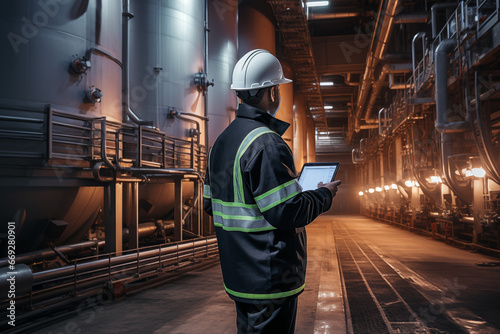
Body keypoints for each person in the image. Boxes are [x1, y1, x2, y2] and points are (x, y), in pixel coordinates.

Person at [203, 49, 341, 333]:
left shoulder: (221, 142)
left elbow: (210, 205)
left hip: (238, 274)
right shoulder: (267, 143)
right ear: (273, 92)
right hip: (269, 276)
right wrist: (324, 195)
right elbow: (288, 212)